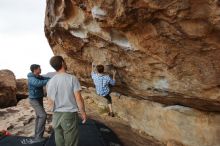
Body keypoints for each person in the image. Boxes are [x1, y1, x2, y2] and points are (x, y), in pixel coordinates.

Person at [46, 56, 87, 146]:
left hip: (56, 114)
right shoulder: (72, 78)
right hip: (69, 114)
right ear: (62, 63)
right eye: (64, 61)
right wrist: (83, 112)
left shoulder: (50, 82)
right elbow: (78, 98)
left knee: (59, 138)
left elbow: (50, 100)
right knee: (71, 140)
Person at [27, 64, 50, 143]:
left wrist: (54, 78)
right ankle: (38, 137)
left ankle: (37, 135)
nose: (41, 70)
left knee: (38, 116)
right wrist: (49, 81)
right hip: (34, 100)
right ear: (35, 70)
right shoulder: (31, 78)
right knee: (43, 115)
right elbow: (38, 83)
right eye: (39, 68)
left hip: (39, 98)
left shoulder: (38, 76)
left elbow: (46, 78)